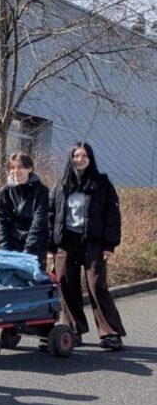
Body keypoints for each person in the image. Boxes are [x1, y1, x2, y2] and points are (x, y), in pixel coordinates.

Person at [49, 142, 126, 351]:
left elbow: (112, 216)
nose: (80, 159)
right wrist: (50, 248)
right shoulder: (61, 184)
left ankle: (110, 333)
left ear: (90, 159)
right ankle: (73, 330)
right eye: (76, 155)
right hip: (66, 242)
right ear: (71, 158)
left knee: (97, 285)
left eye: (84, 156)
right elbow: (51, 215)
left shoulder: (102, 184)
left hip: (94, 242)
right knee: (66, 283)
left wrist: (109, 245)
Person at [0, 152, 50, 263]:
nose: (16, 171)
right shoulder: (3, 193)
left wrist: (28, 251)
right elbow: (1, 223)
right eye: (12, 168)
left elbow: (39, 223)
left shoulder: (42, 191)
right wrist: (4, 250)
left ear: (30, 168)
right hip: (10, 245)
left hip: (35, 247)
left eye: (20, 167)